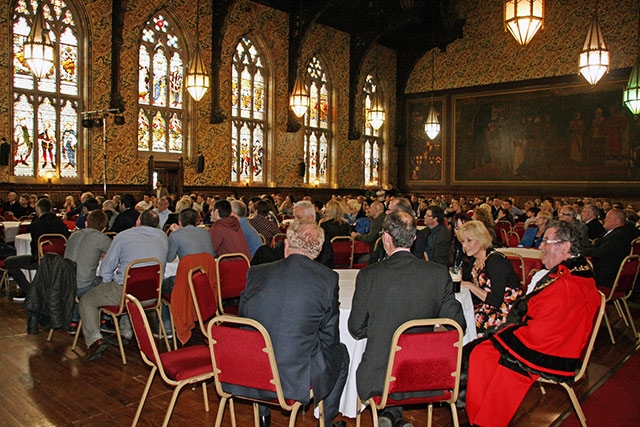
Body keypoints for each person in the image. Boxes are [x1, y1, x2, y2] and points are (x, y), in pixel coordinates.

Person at [464, 221, 601, 427]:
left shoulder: (568, 283)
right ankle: (478, 417)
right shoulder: (572, 272)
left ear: (565, 247)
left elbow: (543, 322)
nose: (541, 247)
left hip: (552, 349)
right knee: (480, 352)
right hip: (552, 337)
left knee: (485, 354)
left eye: (547, 241)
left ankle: (486, 422)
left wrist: (507, 332)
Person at [348, 211, 466, 427]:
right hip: (428, 376)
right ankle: (395, 418)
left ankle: (392, 416)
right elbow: (457, 325)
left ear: (385, 238)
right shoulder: (439, 273)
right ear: (413, 239)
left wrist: (383, 328)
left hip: (381, 378)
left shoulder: (369, 275)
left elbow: (355, 329)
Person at [238, 221, 349, 427]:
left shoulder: (256, 272)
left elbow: (244, 321)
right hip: (294, 377)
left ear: (287, 245)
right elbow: (330, 337)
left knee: (263, 339)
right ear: (316, 253)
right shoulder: (327, 279)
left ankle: (263, 415)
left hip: (254, 367)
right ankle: (327, 421)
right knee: (341, 354)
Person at [78, 209, 168, 361]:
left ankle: (95, 340)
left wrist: (105, 284)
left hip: (126, 294)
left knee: (86, 300)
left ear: (138, 221)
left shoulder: (124, 236)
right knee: (133, 287)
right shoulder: (163, 237)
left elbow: (107, 267)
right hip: (152, 294)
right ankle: (125, 332)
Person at [457, 220, 521, 336]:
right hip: (487, 308)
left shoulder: (496, 261)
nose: (465, 246)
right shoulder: (473, 261)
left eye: (469, 240)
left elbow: (496, 300)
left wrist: (470, 285)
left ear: (481, 239)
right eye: (462, 241)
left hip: (505, 312)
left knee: (466, 327)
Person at [5, 197, 70, 301]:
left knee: (10, 262)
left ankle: (28, 290)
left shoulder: (37, 225)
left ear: (38, 209)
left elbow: (34, 247)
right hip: (60, 258)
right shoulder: (61, 224)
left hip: (42, 259)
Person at [64, 210, 112, 333]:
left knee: (79, 279)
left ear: (86, 223)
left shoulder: (73, 235)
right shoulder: (102, 238)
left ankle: (73, 321)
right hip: (83, 286)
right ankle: (105, 319)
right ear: (104, 228)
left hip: (65, 283)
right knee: (108, 281)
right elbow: (114, 256)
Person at [583, 208, 640, 288]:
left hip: (606, 275)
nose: (605, 219)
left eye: (608, 217)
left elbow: (600, 251)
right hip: (605, 267)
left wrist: (579, 252)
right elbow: (597, 247)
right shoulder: (612, 232)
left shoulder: (618, 236)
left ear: (617, 221)